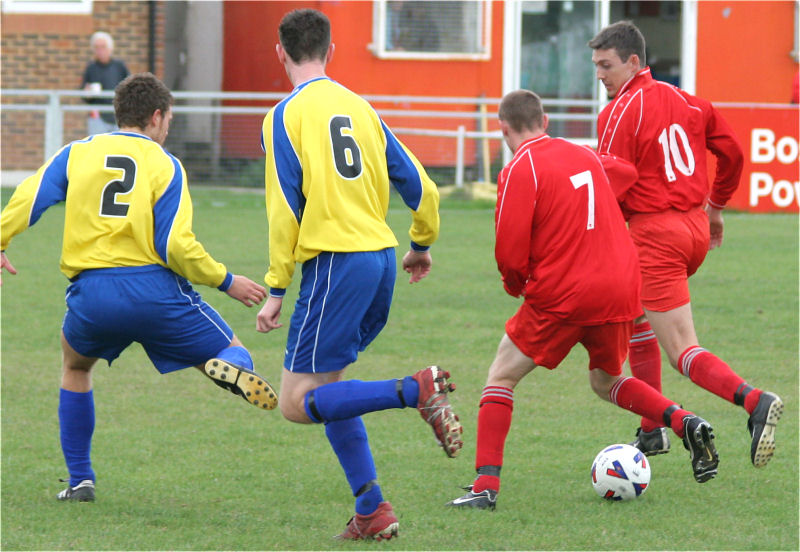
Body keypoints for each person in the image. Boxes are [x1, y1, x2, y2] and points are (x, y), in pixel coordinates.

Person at [0, 73, 277, 503]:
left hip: (92, 294)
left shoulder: (78, 152)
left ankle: (80, 480)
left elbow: (28, 198)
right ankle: (230, 366)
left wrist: (0, 240)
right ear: (157, 116)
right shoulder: (165, 164)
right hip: (155, 292)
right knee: (226, 349)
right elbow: (174, 245)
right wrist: (226, 280)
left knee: (76, 367)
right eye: (168, 120)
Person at [446, 90, 719, 511]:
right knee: (606, 380)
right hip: (621, 286)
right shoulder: (586, 155)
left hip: (565, 293)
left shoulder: (521, 166)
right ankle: (685, 421)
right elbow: (624, 173)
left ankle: (485, 486)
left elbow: (509, 250)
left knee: (501, 377)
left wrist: (516, 284)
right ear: (546, 121)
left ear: (503, 130)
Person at [255, 9, 462, 541]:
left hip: (333, 265)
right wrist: (421, 243)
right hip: (381, 262)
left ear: (281, 52)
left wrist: (277, 287)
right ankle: (372, 507)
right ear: (332, 51)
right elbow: (424, 187)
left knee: (296, 403)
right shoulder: (362, 107)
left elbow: (284, 210)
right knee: (330, 384)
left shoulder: (283, 116)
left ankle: (412, 390)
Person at [588, 21, 782, 466]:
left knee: (683, 350)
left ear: (633, 62)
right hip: (693, 227)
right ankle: (652, 430)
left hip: (655, 235)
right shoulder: (687, 100)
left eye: (606, 65)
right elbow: (733, 151)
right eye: (596, 65)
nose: (600, 75)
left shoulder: (618, 111)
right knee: (637, 315)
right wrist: (716, 206)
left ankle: (754, 402)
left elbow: (611, 183)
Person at [81, 31, 129, 135]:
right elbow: (83, 93)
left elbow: (130, 89)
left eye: (103, 47)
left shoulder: (119, 67)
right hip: (97, 117)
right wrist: (87, 92)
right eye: (96, 47)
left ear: (110, 48)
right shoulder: (91, 68)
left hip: (118, 117)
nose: (100, 51)